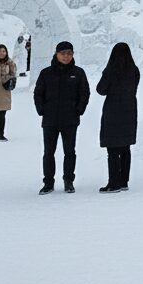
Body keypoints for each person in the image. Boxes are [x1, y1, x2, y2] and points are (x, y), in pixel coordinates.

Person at [33, 41, 90, 195]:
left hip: (70, 120)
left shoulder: (78, 73)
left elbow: (85, 93)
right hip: (50, 120)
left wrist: (78, 110)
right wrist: (42, 110)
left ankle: (68, 181)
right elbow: (38, 93)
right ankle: (48, 182)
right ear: (56, 54)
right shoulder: (46, 73)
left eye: (69, 53)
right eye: (63, 53)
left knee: (69, 151)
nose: (66, 56)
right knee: (48, 152)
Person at [96, 42, 140, 193]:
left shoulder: (110, 71)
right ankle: (123, 181)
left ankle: (113, 182)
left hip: (113, 111)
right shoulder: (134, 70)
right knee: (125, 148)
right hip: (129, 110)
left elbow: (101, 90)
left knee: (113, 149)